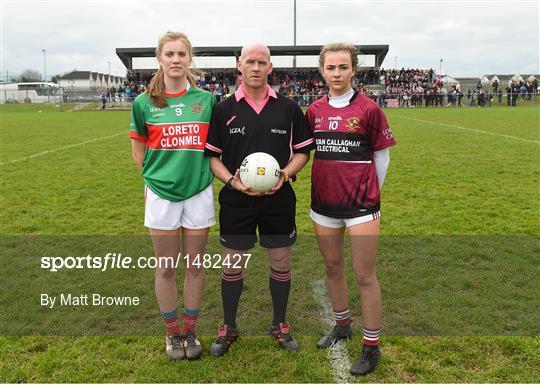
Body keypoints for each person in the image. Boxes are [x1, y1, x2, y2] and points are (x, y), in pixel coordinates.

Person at [204, 43, 314, 357]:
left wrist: (286, 174)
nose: (255, 67)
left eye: (261, 62)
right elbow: (213, 158)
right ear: (239, 65)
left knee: (280, 261)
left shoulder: (288, 108)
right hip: (237, 200)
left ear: (270, 67)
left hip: (278, 200)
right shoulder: (223, 109)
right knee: (232, 264)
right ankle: (228, 326)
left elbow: (303, 151)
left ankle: (279, 323)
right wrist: (231, 181)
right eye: (250, 61)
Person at [306, 43, 396, 376]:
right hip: (324, 205)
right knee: (332, 266)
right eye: (331, 68)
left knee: (364, 275)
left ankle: (371, 347)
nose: (337, 73)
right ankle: (342, 326)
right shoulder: (314, 111)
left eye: (343, 67)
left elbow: (382, 157)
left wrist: (370, 193)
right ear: (322, 71)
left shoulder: (370, 109)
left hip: (361, 207)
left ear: (354, 70)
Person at [129, 31, 216, 361]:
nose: (176, 59)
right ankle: (171, 334)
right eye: (170, 54)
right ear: (160, 59)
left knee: (195, 265)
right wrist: (154, 180)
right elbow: (138, 150)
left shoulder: (207, 101)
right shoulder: (143, 102)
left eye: (182, 54)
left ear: (189, 58)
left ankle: (190, 330)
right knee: (166, 267)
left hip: (198, 192)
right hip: (162, 194)